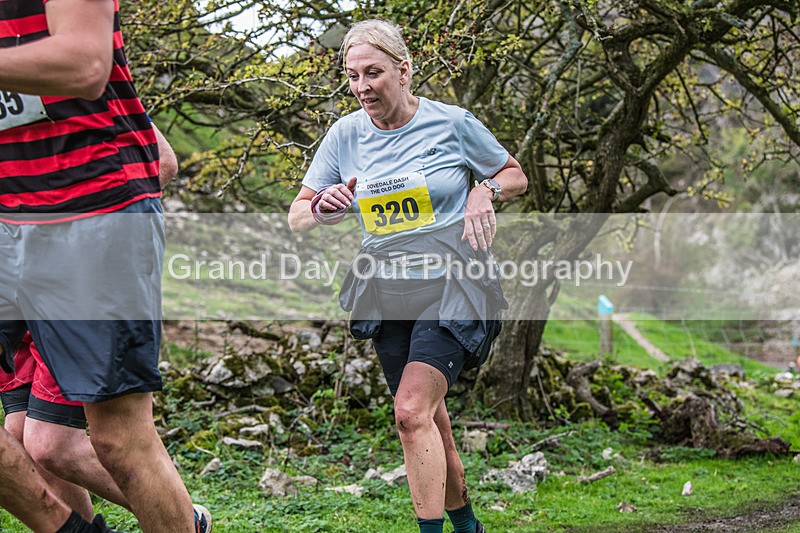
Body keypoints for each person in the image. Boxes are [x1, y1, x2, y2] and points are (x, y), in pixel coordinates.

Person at [288, 19, 528, 533]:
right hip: (387, 290)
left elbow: (514, 174)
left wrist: (484, 191)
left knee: (411, 410)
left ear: (403, 70)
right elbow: (298, 214)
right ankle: (468, 528)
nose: (362, 87)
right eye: (352, 76)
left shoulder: (452, 123)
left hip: (454, 284)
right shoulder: (344, 135)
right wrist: (324, 206)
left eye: (373, 73)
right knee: (427, 421)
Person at [0, 1, 209, 532]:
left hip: (90, 215)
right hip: (8, 224)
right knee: (40, 439)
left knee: (113, 440)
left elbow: (85, 64)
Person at [0, 124, 177, 523]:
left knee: (52, 444)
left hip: (70, 273)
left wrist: (73, 232)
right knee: (22, 436)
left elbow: (161, 162)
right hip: (10, 279)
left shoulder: (66, 90)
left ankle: (183, 519)